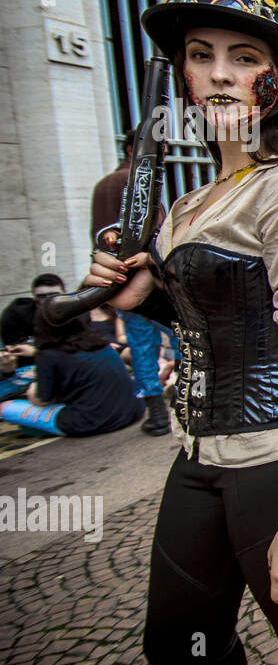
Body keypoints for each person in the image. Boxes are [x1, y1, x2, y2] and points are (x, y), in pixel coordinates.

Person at [84, 0, 278, 665]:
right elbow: (205, 315)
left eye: (244, 59)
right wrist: (145, 296)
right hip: (199, 452)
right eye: (200, 54)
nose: (217, 75)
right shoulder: (191, 203)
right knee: (182, 644)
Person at [90, 128, 173, 435]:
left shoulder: (105, 186)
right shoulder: (138, 182)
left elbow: (100, 239)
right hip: (145, 278)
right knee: (174, 337)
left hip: (123, 280)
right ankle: (170, 403)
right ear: (131, 149)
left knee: (143, 346)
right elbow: (158, 234)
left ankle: (158, 411)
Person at [0, 305, 142, 437]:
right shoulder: (98, 340)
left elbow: (42, 400)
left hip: (93, 422)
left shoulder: (48, 355)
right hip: (133, 411)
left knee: (5, 407)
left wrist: (33, 390)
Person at [2, 274, 66, 368]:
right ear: (34, 298)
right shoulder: (16, 315)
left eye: (54, 295)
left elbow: (82, 350)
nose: (48, 300)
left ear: (65, 294)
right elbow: (16, 354)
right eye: (42, 296)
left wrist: (36, 352)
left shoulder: (76, 313)